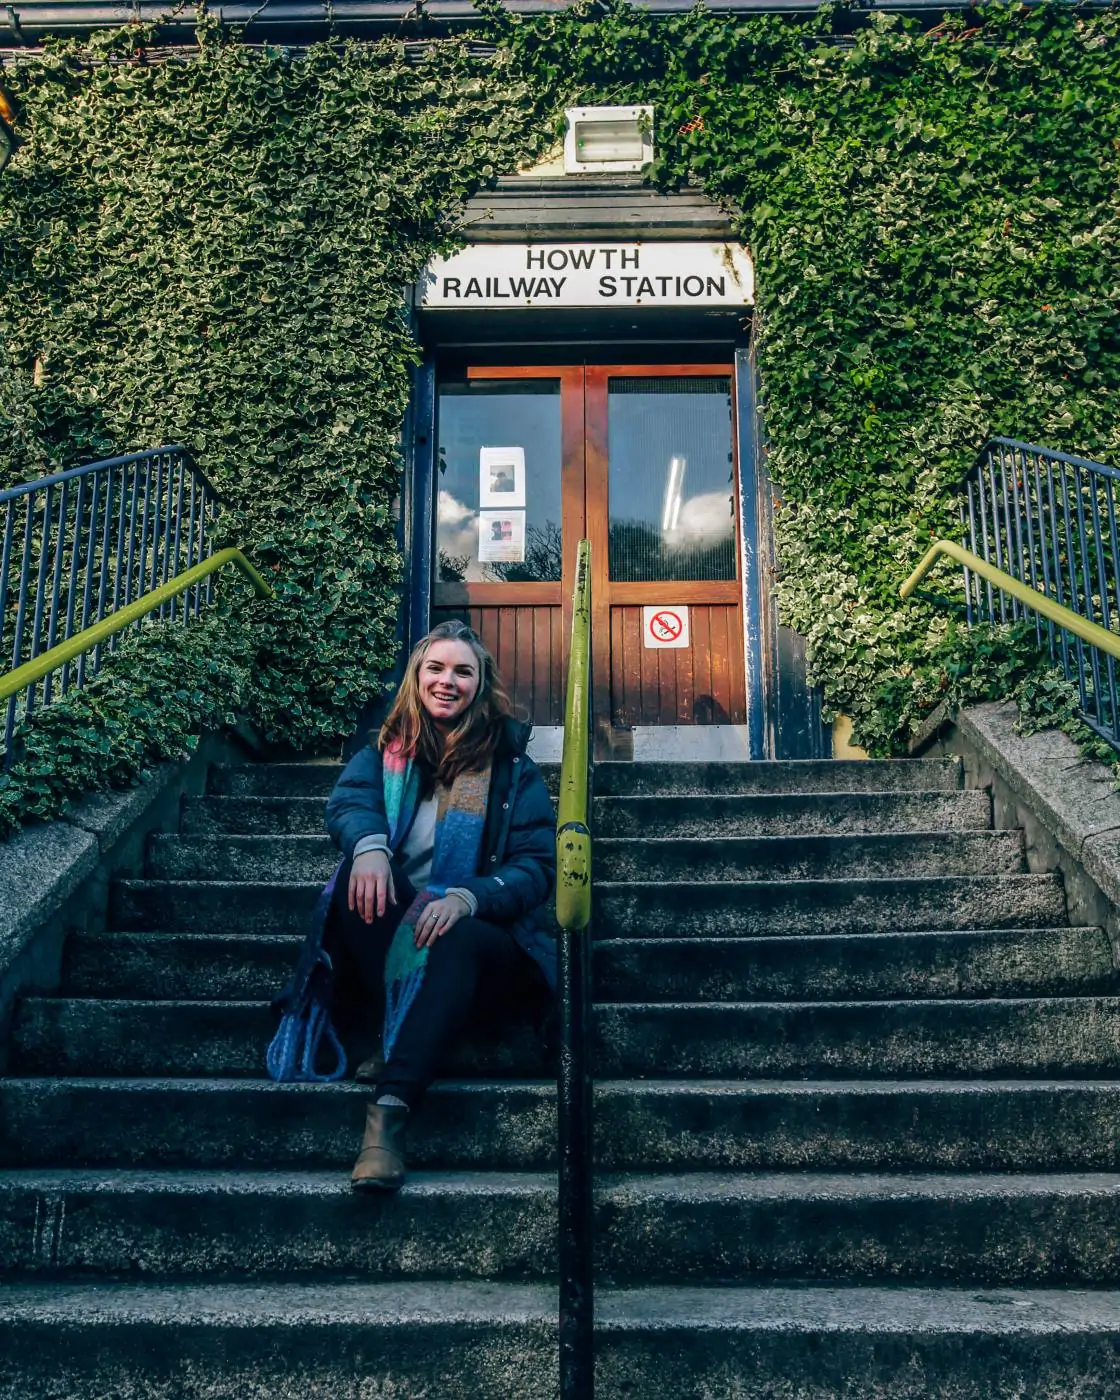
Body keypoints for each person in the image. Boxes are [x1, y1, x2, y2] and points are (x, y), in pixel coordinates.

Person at [313, 620, 556, 1192]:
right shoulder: (383, 753)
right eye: (436, 669)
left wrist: (471, 897)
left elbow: (537, 866)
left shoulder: (512, 771)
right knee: (357, 873)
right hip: (398, 936)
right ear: (416, 679)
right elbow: (350, 804)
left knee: (456, 931)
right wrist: (370, 847)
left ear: (481, 684)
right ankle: (399, 1024)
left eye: (463, 672)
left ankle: (388, 1113)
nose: (448, 681)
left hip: (482, 944)